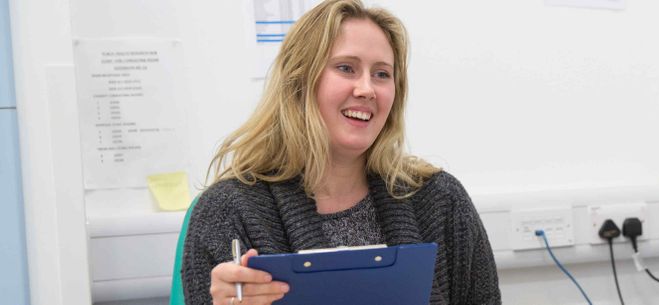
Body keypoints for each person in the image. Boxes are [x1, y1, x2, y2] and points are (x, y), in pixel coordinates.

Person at [180, 1, 501, 304]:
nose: (366, 89)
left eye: (382, 74)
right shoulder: (228, 210)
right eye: (346, 68)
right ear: (300, 82)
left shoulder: (440, 200)